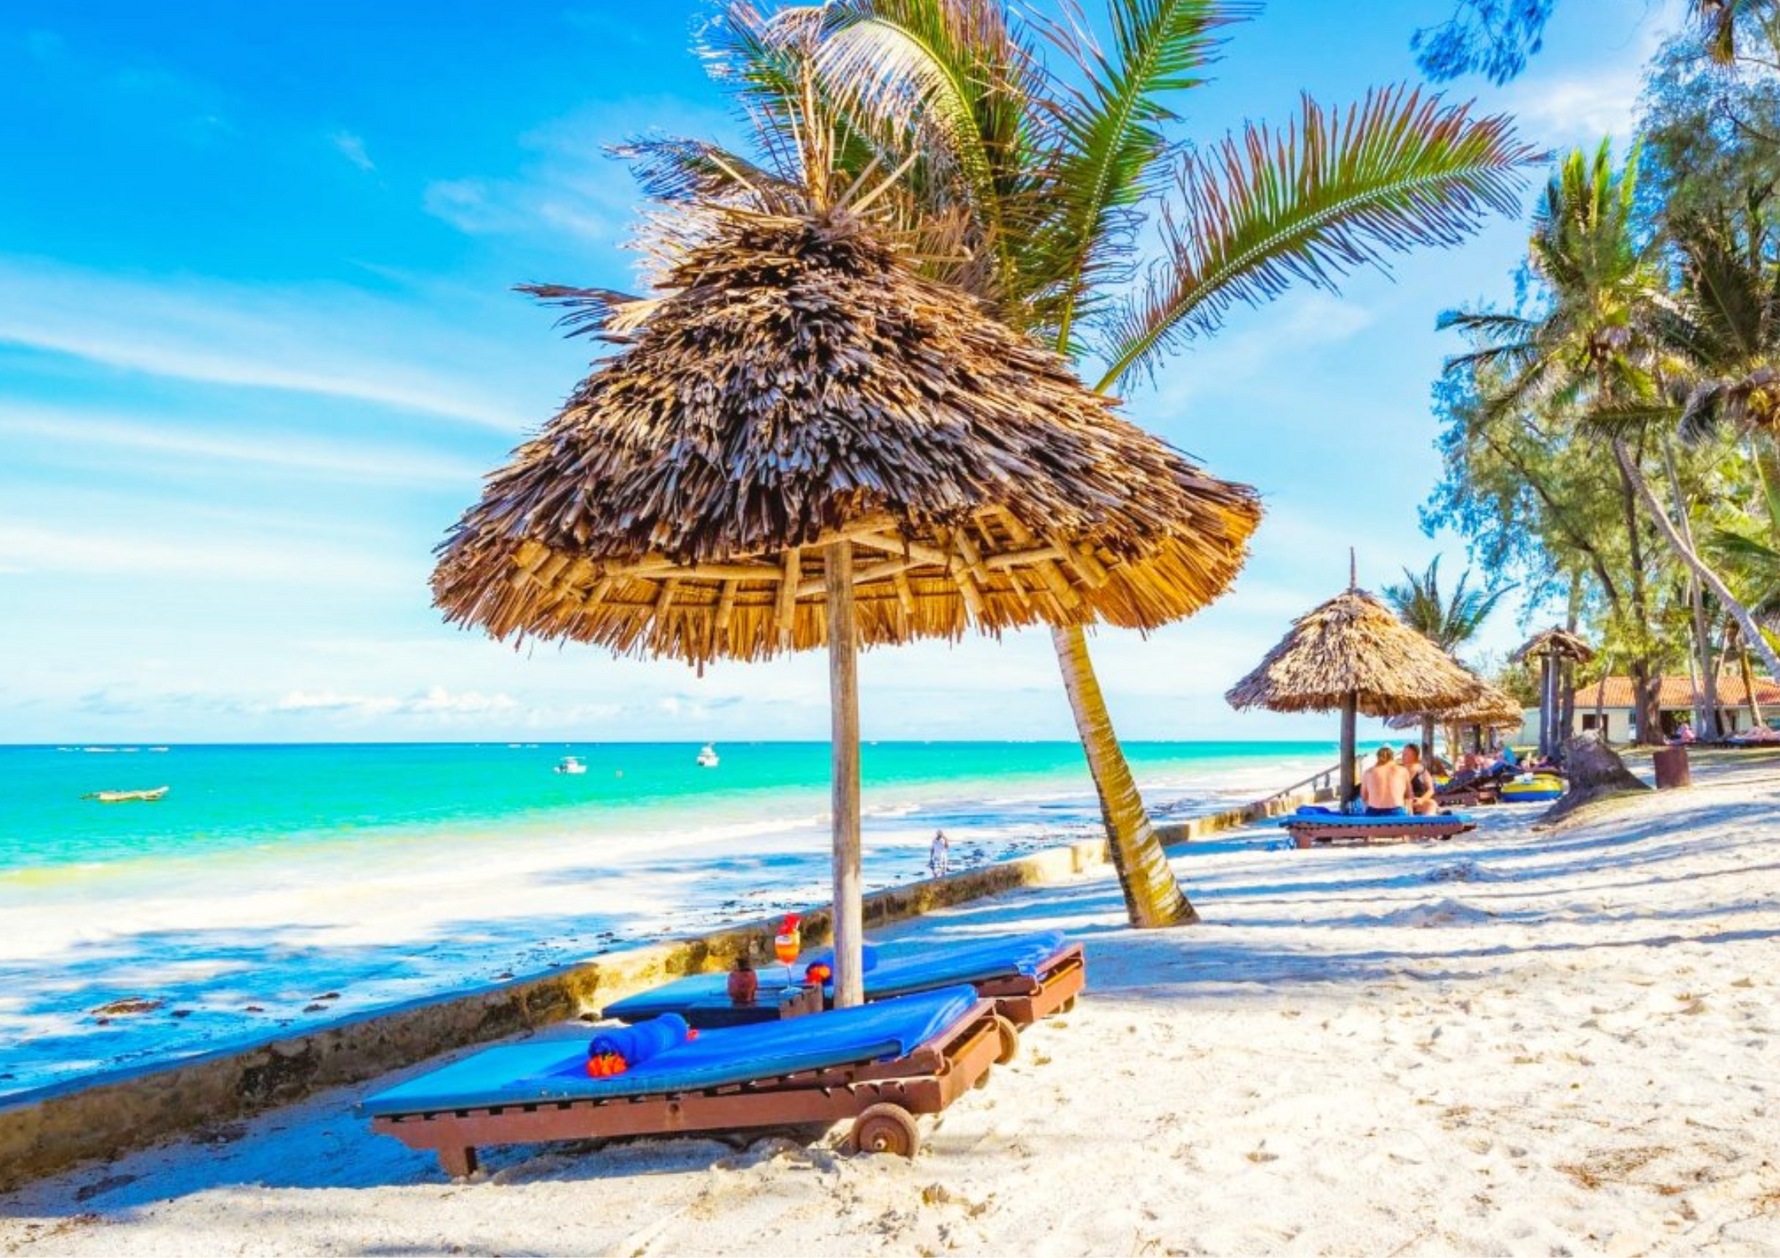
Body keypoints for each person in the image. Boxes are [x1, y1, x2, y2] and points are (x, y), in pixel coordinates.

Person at [1360, 746, 1410, 815]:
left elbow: (1363, 796)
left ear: (1378, 757)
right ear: (1392, 757)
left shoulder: (1368, 772)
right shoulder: (1402, 770)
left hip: (1373, 812)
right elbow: (1408, 795)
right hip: (1396, 812)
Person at [1403, 743, 1438, 815]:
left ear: (1414, 756)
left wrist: (1422, 800)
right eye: (1403, 753)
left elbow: (1431, 790)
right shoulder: (1399, 770)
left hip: (1418, 801)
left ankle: (1427, 823)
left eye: (1406, 754)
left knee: (1431, 804)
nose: (1403, 756)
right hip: (1404, 802)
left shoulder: (1421, 770)